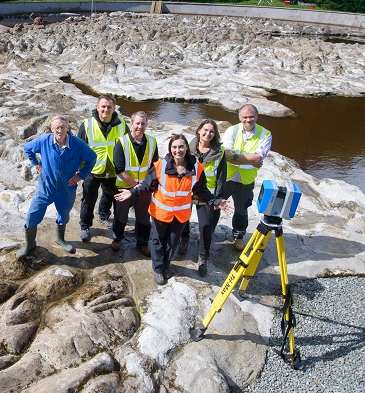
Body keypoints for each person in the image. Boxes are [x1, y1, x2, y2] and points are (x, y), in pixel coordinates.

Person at [116, 134, 231, 285]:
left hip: (181, 215)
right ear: (170, 149)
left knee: (172, 243)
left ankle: (166, 265)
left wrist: (216, 201)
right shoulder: (160, 166)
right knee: (157, 242)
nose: (178, 150)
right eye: (174, 147)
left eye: (181, 147)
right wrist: (131, 192)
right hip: (160, 213)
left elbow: (201, 190)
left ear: (186, 149)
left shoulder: (196, 168)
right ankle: (158, 269)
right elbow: (146, 186)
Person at [18, 115, 97, 259]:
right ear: (51, 129)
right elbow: (28, 148)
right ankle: (29, 244)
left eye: (62, 127)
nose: (59, 130)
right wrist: (36, 164)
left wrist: (81, 175)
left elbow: (92, 158)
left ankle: (60, 239)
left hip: (66, 189)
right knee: (32, 214)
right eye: (56, 127)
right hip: (45, 187)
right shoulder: (44, 141)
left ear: (68, 128)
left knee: (64, 214)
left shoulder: (78, 144)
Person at [77, 94, 130, 242]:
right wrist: (79, 171)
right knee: (88, 199)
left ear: (114, 109)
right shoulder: (87, 124)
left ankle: (104, 216)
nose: (106, 109)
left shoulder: (122, 125)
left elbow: (127, 146)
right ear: (97, 107)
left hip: (113, 170)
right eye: (103, 106)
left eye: (109, 107)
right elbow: (79, 148)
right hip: (92, 170)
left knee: (109, 195)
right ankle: (85, 226)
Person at [178, 119, 227, 276]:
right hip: (188, 192)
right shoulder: (189, 148)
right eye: (205, 130)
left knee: (205, 227)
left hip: (207, 195)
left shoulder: (220, 152)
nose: (208, 134)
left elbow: (221, 176)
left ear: (215, 134)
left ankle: (203, 257)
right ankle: (184, 239)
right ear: (198, 130)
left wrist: (218, 198)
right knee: (183, 220)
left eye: (211, 131)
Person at [222, 104, 272, 249]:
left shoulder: (265, 134)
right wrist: (250, 159)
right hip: (227, 176)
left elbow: (258, 158)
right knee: (215, 205)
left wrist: (235, 156)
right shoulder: (232, 130)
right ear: (239, 118)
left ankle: (238, 237)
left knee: (242, 209)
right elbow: (225, 154)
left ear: (256, 117)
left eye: (251, 117)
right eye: (245, 117)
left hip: (246, 179)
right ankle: (208, 232)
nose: (248, 120)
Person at [111, 111, 159, 256]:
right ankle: (117, 238)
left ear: (146, 125)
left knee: (144, 217)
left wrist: (144, 185)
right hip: (123, 188)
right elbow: (119, 169)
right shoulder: (121, 142)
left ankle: (142, 243)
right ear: (130, 124)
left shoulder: (152, 141)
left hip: (144, 189)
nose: (140, 127)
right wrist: (135, 185)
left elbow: (154, 166)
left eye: (143, 124)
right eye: (137, 123)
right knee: (121, 215)